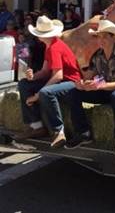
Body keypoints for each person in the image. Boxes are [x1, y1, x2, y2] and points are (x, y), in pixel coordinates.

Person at [65, 20, 115, 157]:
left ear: (113, 37)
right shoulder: (97, 55)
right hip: (103, 89)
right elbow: (89, 77)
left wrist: (99, 86)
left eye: (104, 37)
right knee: (74, 92)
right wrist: (83, 84)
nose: (101, 40)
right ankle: (83, 133)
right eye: (99, 37)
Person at [15, 16, 81, 147]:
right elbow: (45, 71)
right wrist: (33, 77)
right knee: (23, 84)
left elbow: (58, 75)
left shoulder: (54, 48)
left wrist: (37, 95)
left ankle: (58, 131)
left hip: (72, 82)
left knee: (46, 92)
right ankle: (36, 126)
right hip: (62, 81)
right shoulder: (49, 46)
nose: (37, 36)